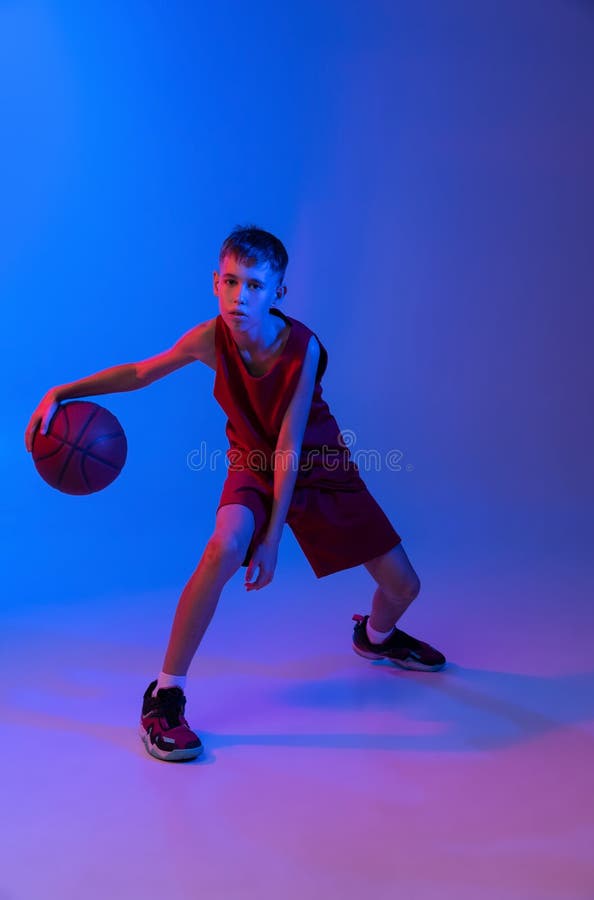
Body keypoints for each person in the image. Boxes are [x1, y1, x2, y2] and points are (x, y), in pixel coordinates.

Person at [25, 224, 446, 763]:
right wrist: (61, 392)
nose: (238, 296)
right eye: (229, 282)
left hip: (317, 465)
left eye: (253, 285)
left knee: (405, 586)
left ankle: (378, 637)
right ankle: (165, 695)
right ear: (215, 282)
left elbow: (291, 446)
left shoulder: (303, 348)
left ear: (278, 294)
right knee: (223, 547)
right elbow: (139, 373)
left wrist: (272, 541)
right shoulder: (209, 338)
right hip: (251, 461)